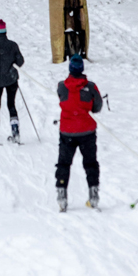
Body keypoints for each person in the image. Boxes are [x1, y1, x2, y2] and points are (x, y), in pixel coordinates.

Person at [55, 54, 102, 212]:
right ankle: (93, 192)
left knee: (64, 163)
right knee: (90, 163)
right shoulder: (91, 86)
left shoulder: (62, 86)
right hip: (87, 130)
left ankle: (62, 194)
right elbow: (97, 107)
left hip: (67, 131)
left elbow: (62, 99)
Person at [0, 20, 24, 144]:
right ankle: (15, 133)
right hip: (11, 79)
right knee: (11, 105)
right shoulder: (13, 45)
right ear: (5, 32)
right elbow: (20, 62)